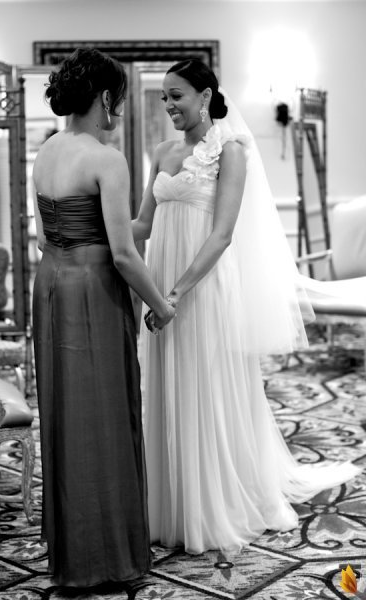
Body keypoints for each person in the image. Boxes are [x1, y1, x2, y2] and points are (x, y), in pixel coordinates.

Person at [133, 58, 360, 555]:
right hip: (161, 284)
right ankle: (172, 504)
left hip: (202, 288)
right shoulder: (162, 152)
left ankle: (213, 505)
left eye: (177, 95)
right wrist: (91, 231)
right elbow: (143, 225)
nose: (168, 105)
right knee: (169, 385)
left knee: (205, 387)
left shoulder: (231, 150)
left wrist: (176, 293)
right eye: (164, 96)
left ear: (205, 96)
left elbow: (221, 235)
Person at [32, 48, 175, 589]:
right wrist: (161, 304)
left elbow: (47, 237)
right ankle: (109, 559)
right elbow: (122, 255)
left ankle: (74, 556)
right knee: (107, 416)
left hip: (51, 285)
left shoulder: (47, 151)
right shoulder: (106, 158)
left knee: (66, 416)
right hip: (93, 292)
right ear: (106, 97)